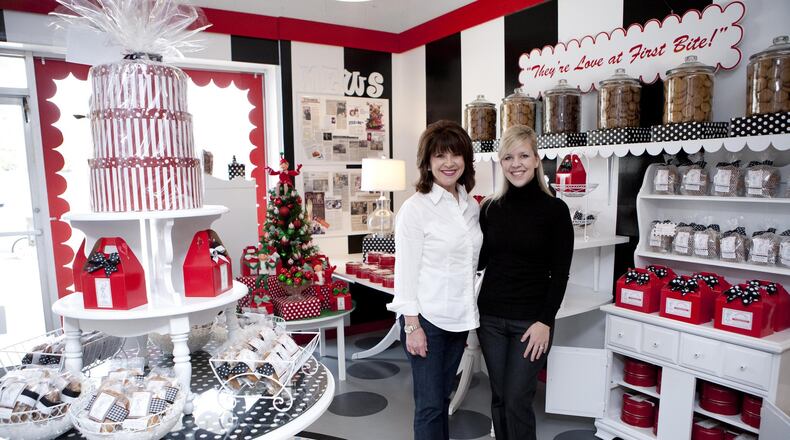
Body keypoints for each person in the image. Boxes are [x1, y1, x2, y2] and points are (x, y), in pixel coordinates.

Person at [476, 125, 574, 440]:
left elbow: (561, 272)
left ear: (536, 159)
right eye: (508, 157)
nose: (515, 164)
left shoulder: (555, 210)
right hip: (489, 317)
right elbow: (480, 260)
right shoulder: (490, 208)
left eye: (523, 155)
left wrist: (546, 320)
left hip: (531, 323)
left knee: (518, 399)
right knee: (500, 397)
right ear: (500, 162)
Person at [387, 120, 483, 440]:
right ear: (427, 162)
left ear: (466, 160)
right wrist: (412, 326)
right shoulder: (415, 210)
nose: (449, 162)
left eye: (456, 154)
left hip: (459, 319)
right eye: (440, 155)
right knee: (429, 406)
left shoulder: (470, 206)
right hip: (427, 320)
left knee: (442, 399)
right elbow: (405, 272)